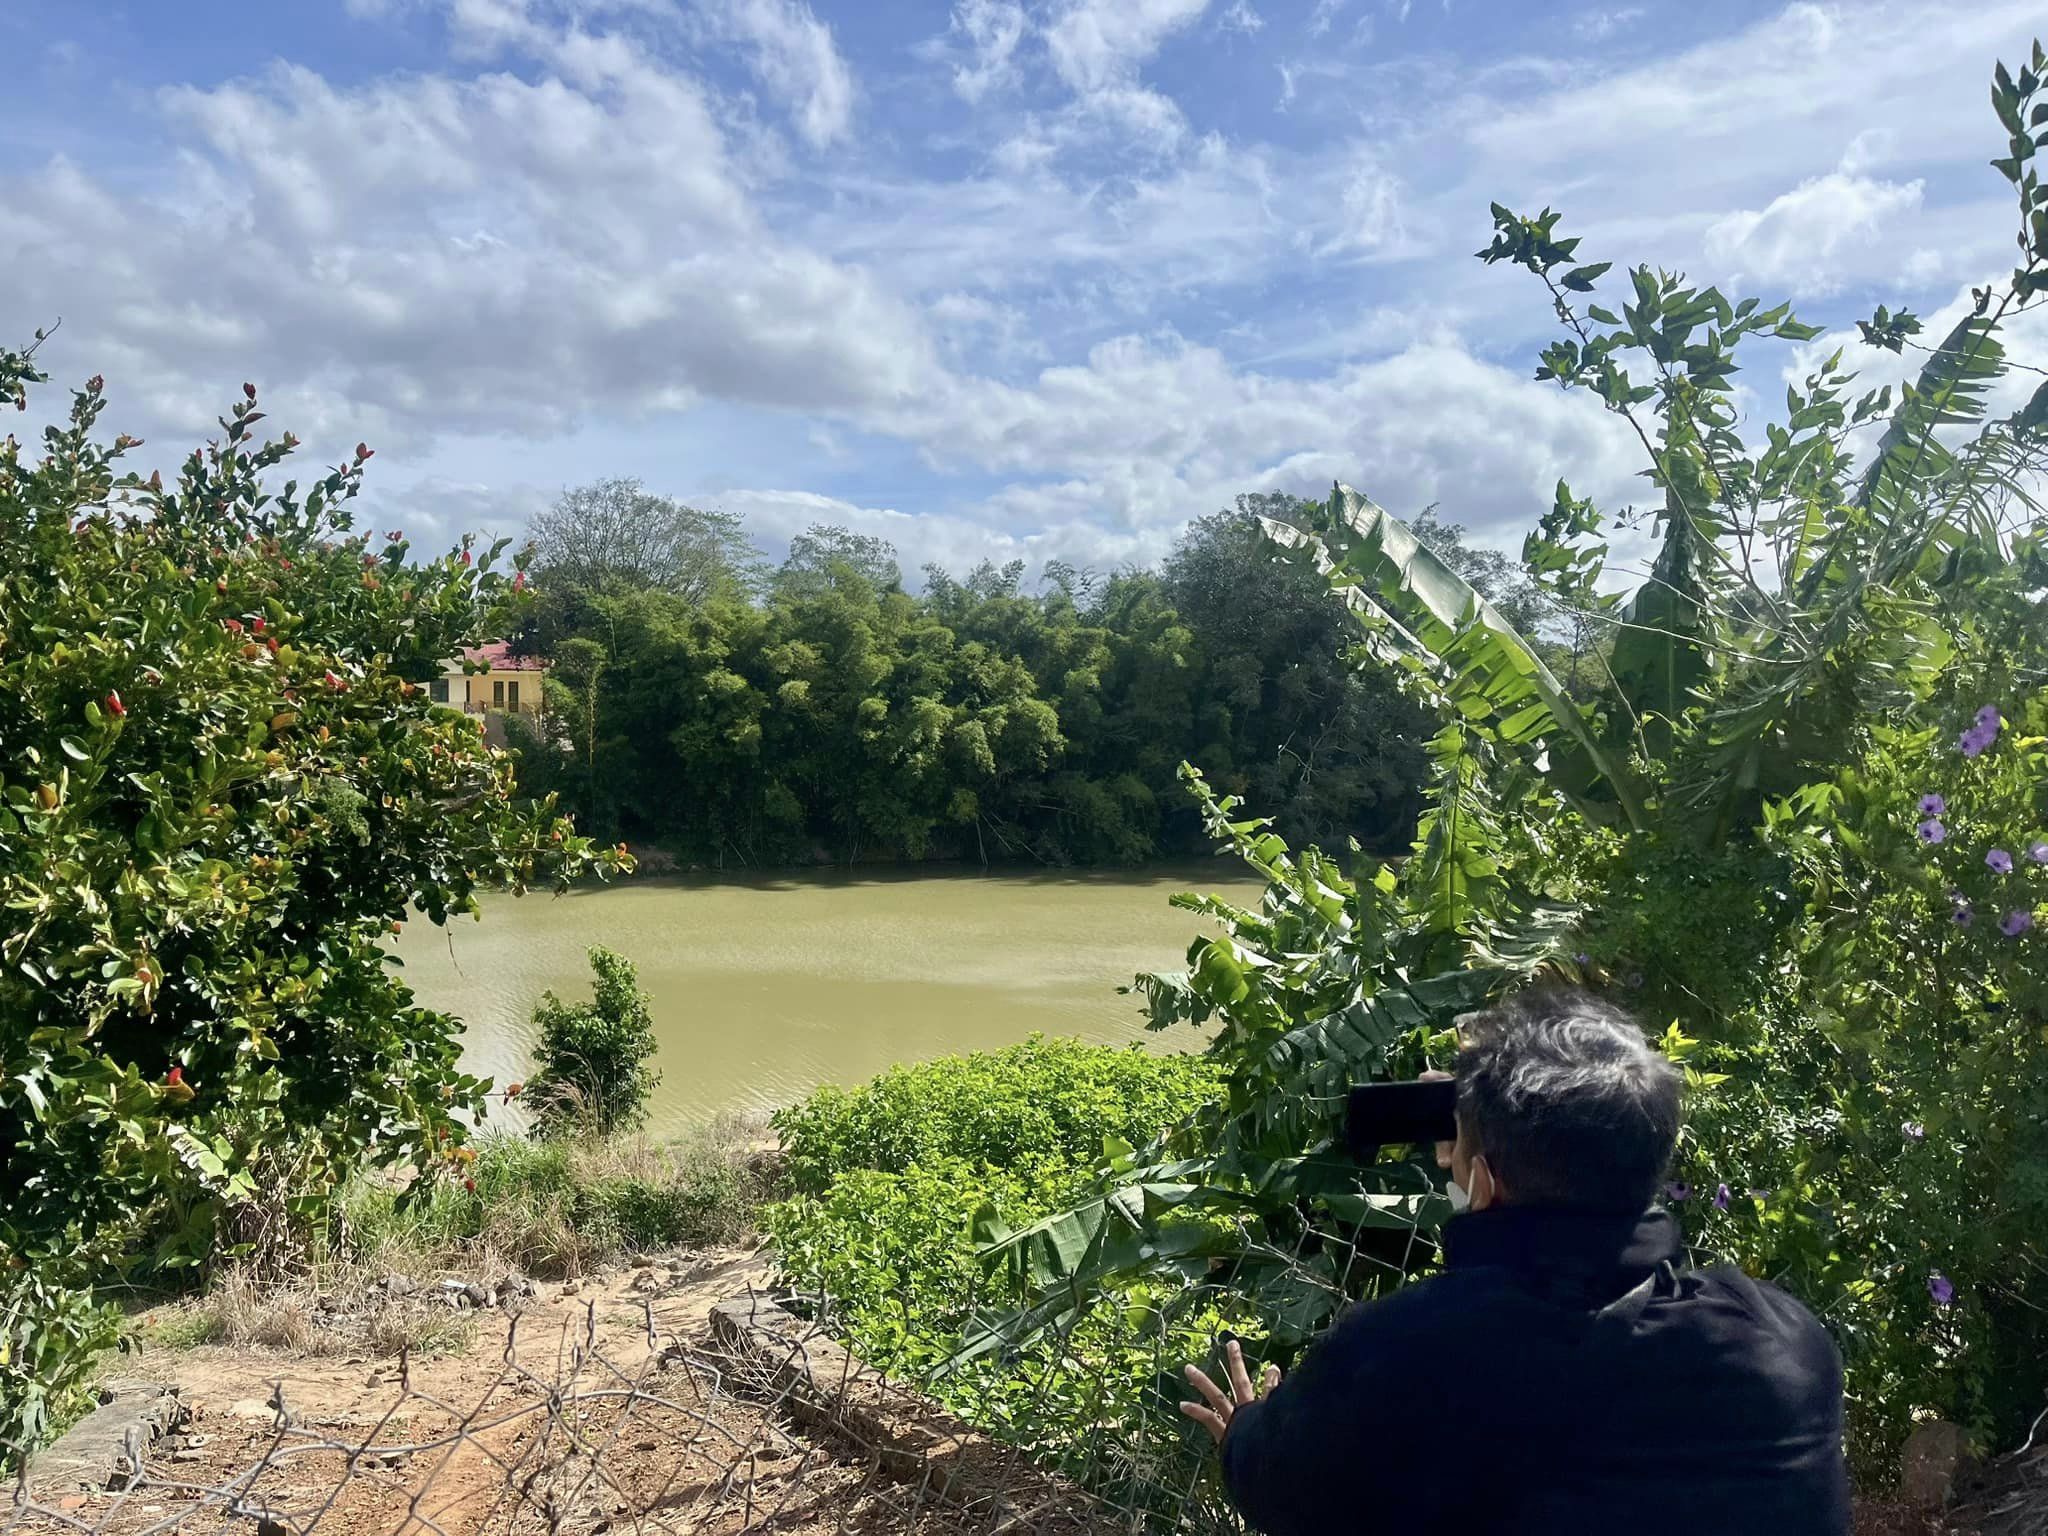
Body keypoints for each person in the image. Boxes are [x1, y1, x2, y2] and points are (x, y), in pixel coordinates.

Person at [1179, 986, 1850, 1535]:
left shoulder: (1407, 1351)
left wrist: (1245, 1433)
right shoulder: (1785, 1341)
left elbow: (1283, 1491)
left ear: (1483, 1183)